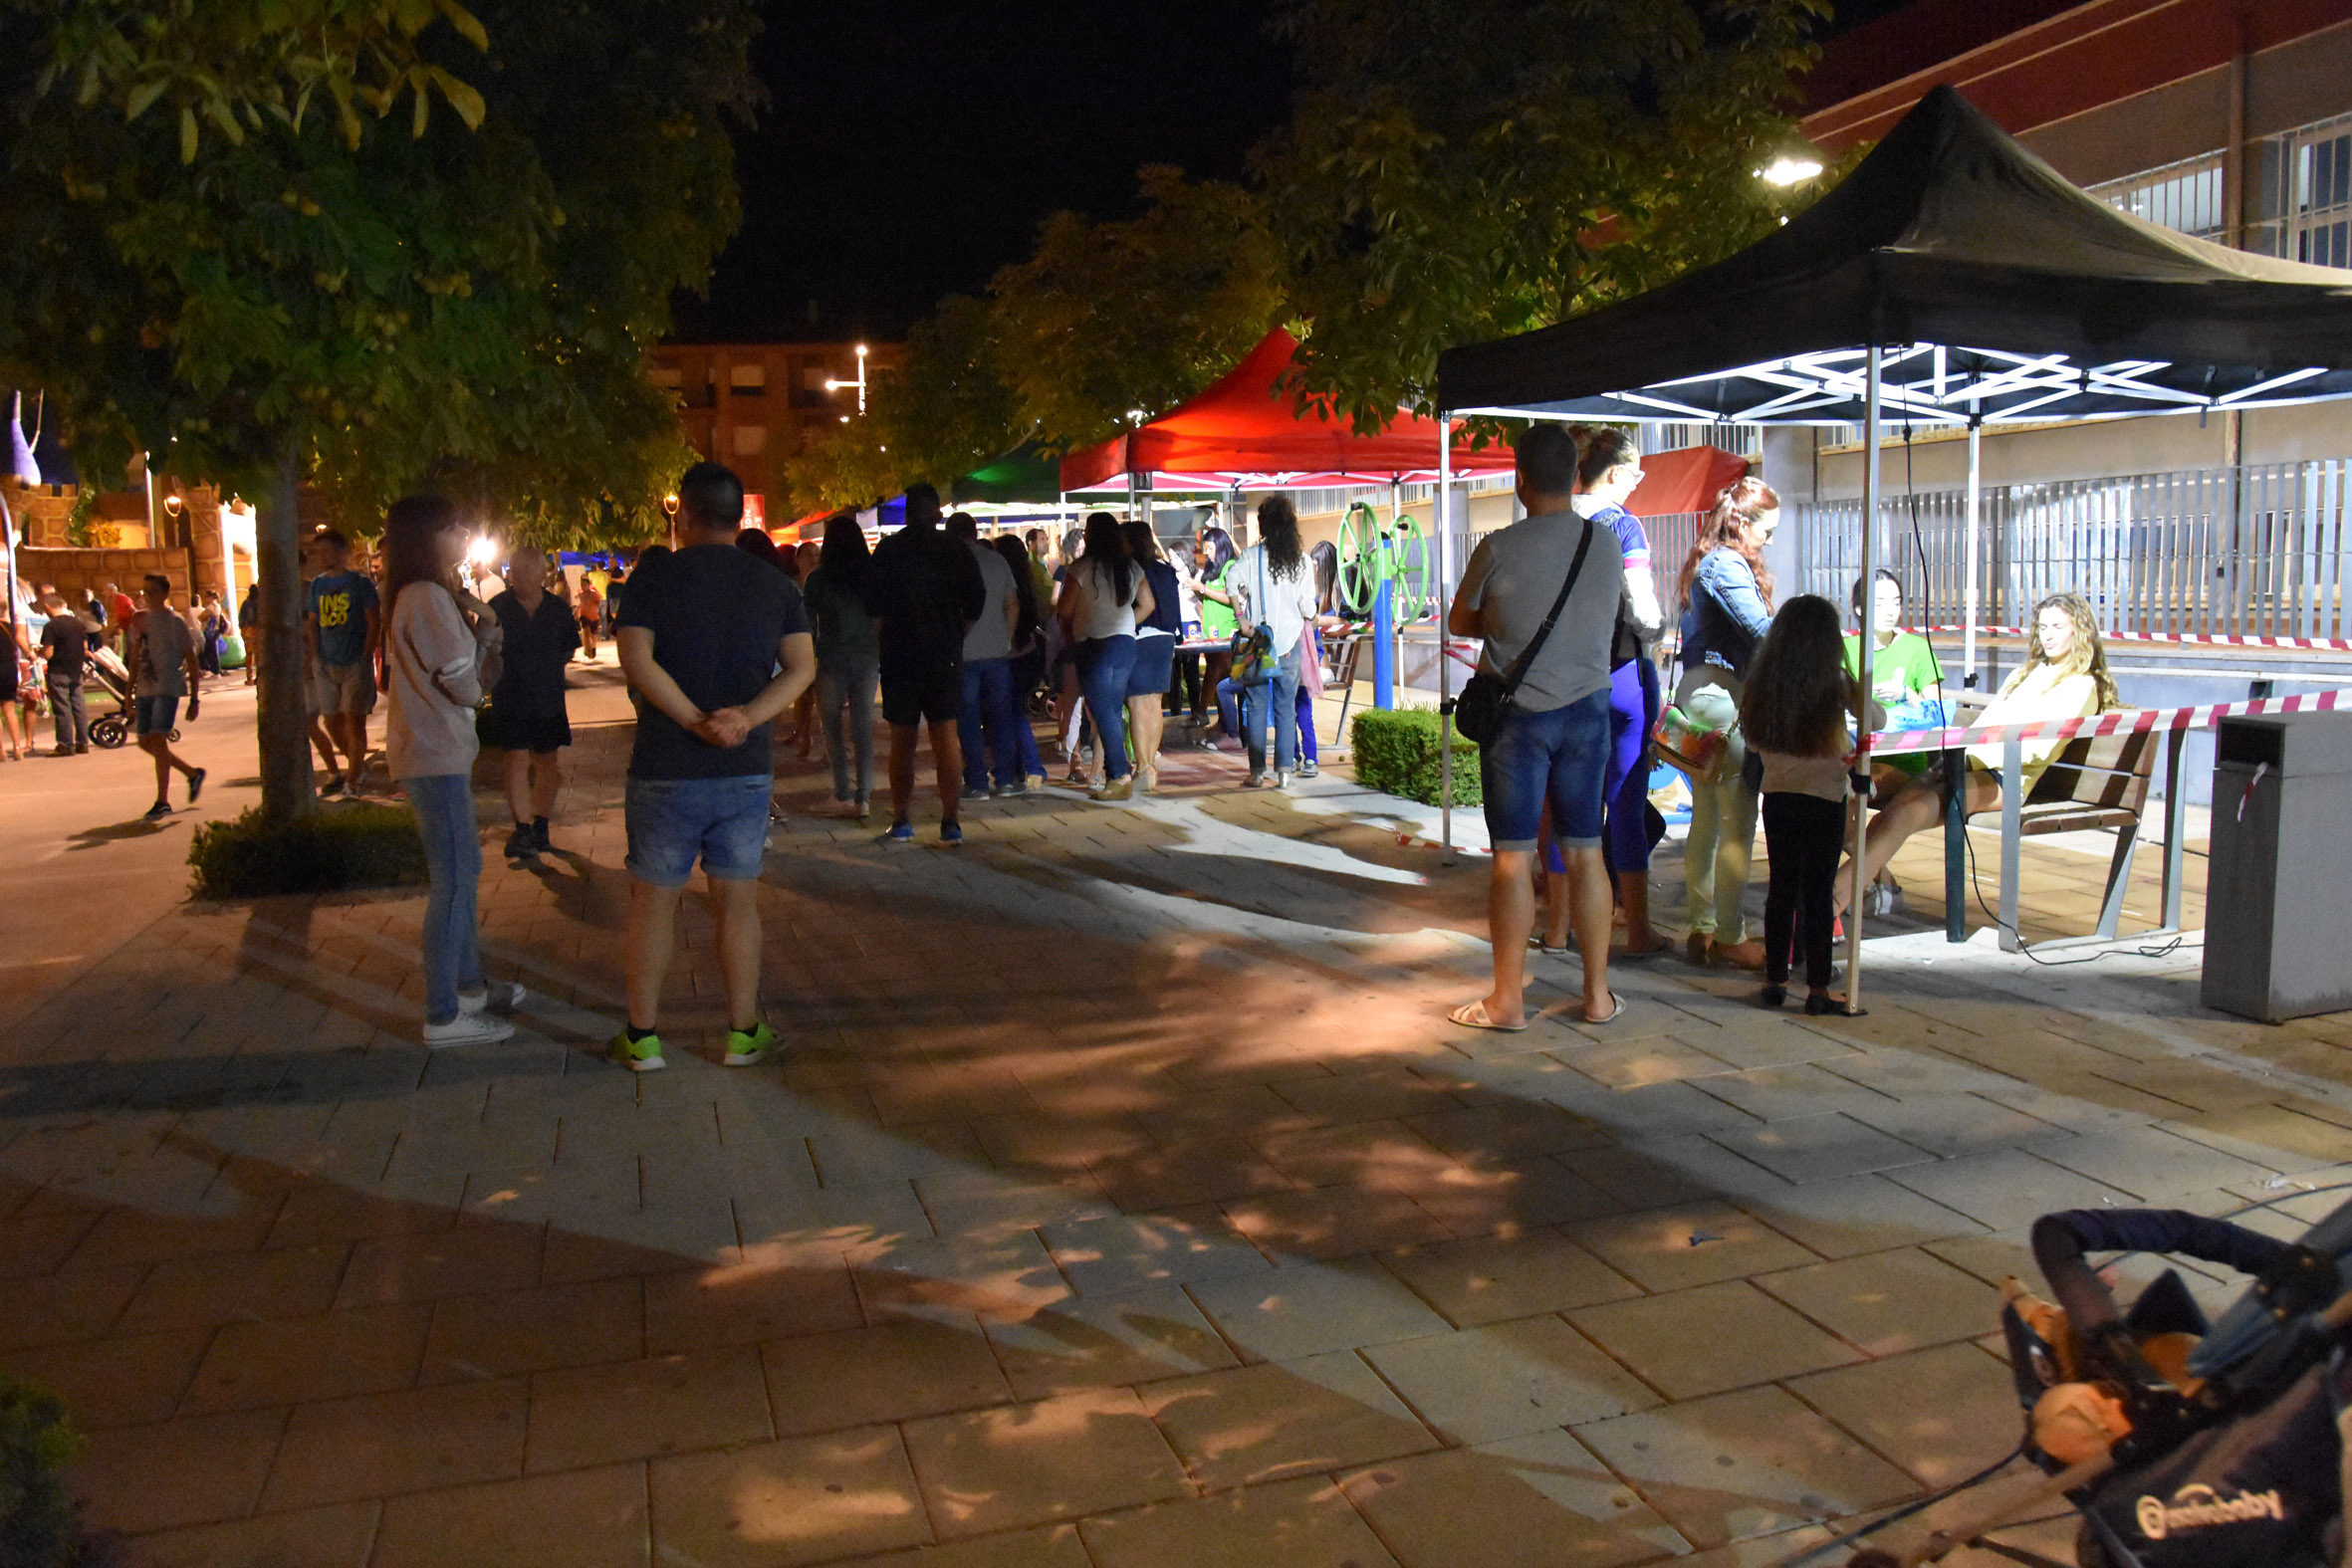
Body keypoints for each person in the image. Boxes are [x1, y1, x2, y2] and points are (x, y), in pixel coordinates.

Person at [614, 463, 816, 1071]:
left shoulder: (655, 577)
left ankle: (642, 1038)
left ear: (684, 514)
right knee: (738, 902)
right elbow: (803, 667)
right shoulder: (774, 583)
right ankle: (742, 1031)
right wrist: (744, 719)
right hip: (744, 769)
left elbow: (636, 662)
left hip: (665, 764)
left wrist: (692, 720)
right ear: (737, 515)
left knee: (654, 903)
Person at [1447, 423, 1629, 1029]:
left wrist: (1504, 624)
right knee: (1585, 853)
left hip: (1519, 719)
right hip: (1588, 713)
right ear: (1575, 477)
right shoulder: (1604, 544)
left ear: (1520, 479)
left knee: (1511, 857)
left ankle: (1507, 1002)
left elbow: (1461, 621)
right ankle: (1598, 996)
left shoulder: (1498, 547)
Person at [1837, 590, 2116, 911]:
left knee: (1908, 813)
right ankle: (1880, 888)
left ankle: (1836, 898)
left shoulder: (2081, 685)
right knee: (1893, 810)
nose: (2048, 635)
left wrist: (1970, 758)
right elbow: (1988, 722)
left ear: (2078, 631)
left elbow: (2040, 747)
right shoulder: (2025, 672)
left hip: (2006, 778)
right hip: (1968, 764)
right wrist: (1963, 756)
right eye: (2042, 627)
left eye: (2057, 627)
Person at [378, 495, 520, 1045]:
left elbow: (468, 667)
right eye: (453, 526)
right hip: (433, 752)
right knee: (455, 880)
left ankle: (469, 989)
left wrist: (484, 627)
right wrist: (481, 682)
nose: (464, 533)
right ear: (427, 537)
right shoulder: (425, 597)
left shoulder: (429, 596)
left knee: (462, 875)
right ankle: (444, 1013)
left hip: (438, 749)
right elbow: (465, 681)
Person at [1741, 595, 1872, 1015]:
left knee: (1781, 889)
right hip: (1825, 800)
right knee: (1818, 893)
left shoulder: (1765, 684)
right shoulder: (1834, 683)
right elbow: (1878, 719)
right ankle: (1817, 988)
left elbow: (1754, 741)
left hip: (1777, 797)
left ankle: (1775, 979)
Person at [1570, 427, 1671, 957]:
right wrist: (1660, 632)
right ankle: (1636, 930)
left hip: (1569, 682)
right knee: (1626, 804)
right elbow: (1643, 609)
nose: (1637, 484)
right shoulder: (1623, 527)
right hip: (1624, 676)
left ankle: (1561, 925)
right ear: (1613, 474)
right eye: (1635, 474)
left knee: (1573, 806)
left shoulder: (1550, 523)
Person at [1673, 477, 1780, 971]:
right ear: (1743, 522)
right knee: (1738, 824)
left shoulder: (1705, 561)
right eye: (1767, 531)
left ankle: (1703, 928)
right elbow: (1762, 634)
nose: (1769, 541)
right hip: (1723, 697)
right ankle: (1732, 936)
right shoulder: (1728, 563)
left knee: (1706, 822)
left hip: (1698, 694)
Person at [861, 483, 984, 843]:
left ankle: (901, 819)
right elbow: (975, 601)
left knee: (903, 740)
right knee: (946, 736)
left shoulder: (889, 549)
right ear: (936, 513)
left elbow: (873, 608)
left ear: (907, 513)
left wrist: (887, 636)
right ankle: (950, 821)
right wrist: (956, 634)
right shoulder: (955, 549)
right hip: (943, 653)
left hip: (900, 654)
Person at [480, 545, 580, 863]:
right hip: (511, 696)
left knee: (548, 762)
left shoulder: (557, 609)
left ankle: (541, 824)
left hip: (548, 696)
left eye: (528, 570)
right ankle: (522, 827)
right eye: (516, 570)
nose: (521, 576)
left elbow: (568, 648)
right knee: (516, 761)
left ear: (543, 573)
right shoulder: (498, 608)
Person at [1055, 511, 1154, 800]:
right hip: (1125, 644)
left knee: (1104, 710)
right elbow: (1148, 604)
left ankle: (1119, 775)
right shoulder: (1131, 567)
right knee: (1110, 709)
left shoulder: (1081, 569)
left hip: (1094, 645)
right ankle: (1117, 773)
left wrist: (1076, 631)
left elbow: (1064, 611)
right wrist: (1123, 622)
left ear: (1091, 535)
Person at [1228, 497, 1316, 788]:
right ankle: (1284, 773)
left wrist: (1241, 618)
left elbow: (1230, 581)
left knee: (1255, 707)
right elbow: (1308, 608)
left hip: (1258, 643)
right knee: (1285, 708)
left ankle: (1256, 772)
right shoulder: (1302, 561)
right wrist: (1310, 611)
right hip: (1289, 645)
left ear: (1262, 524)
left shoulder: (1251, 557)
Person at [804, 515, 879, 818]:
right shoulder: (871, 574)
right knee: (863, 728)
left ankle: (842, 792)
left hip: (831, 656)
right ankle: (864, 797)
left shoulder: (819, 580)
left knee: (832, 726)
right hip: (866, 656)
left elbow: (807, 624)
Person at [948, 511, 1026, 799]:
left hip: (963, 653)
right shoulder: (996, 560)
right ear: (974, 531)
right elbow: (1013, 604)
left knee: (967, 719)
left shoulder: (949, 564)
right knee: (1001, 716)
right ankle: (1005, 780)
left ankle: (977, 782)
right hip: (996, 652)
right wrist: (1006, 638)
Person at [304, 529, 382, 796]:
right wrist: (316, 655)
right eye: (320, 552)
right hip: (326, 662)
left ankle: (351, 779)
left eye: (329, 551)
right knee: (330, 720)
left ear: (342, 552)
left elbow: (374, 620)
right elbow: (313, 623)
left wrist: (365, 655)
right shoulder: (317, 585)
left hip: (353, 661)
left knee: (353, 720)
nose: (324, 557)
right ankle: (356, 766)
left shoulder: (359, 584)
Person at [129, 575, 206, 818]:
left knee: (158, 738)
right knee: (145, 741)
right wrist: (127, 691)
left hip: (167, 686)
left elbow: (191, 658)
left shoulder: (175, 622)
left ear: (164, 594)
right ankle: (192, 773)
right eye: (145, 591)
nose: (147, 596)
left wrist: (195, 698)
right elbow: (134, 656)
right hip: (145, 687)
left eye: (151, 591)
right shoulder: (139, 620)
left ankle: (162, 800)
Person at [1121, 518, 1181, 791]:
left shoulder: (1130, 569)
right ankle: (1150, 766)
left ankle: (1142, 765)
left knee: (1136, 704)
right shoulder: (1166, 570)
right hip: (1165, 638)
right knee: (1154, 704)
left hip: (1139, 634)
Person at [992, 533, 1050, 788]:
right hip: (1029, 653)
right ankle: (1018, 768)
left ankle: (1034, 767)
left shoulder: (1005, 584)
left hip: (1011, 655)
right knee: (1013, 712)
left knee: (1012, 713)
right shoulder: (1027, 582)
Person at [1193, 527, 1239, 742]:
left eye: (1210, 548)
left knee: (1216, 671)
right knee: (1218, 676)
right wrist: (1197, 590)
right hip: (1210, 630)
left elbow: (1231, 598)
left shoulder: (1231, 567)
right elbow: (1209, 599)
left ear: (1220, 547)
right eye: (1206, 549)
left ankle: (1202, 712)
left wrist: (1202, 589)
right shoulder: (1211, 569)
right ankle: (1223, 724)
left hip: (1225, 631)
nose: (1208, 553)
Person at [38, 592, 92, 755]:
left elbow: (48, 653)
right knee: (79, 705)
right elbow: (84, 647)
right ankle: (83, 742)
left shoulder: (51, 626)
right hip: (76, 669)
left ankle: (65, 743)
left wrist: (39, 652)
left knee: (62, 707)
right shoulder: (78, 623)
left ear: (48, 606)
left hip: (58, 669)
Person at [195, 590, 227, 678]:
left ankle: (215, 671)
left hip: (211, 632)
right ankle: (214, 670)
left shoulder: (210, 607)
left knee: (211, 652)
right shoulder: (217, 606)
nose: (205, 599)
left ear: (210, 597)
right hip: (215, 631)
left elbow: (200, 617)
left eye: (206, 597)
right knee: (211, 651)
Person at [237, 580, 261, 685]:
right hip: (258, 630)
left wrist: (242, 628)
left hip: (248, 631)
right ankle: (259, 677)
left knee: (249, 655)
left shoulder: (246, 603)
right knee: (259, 655)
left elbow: (242, 617)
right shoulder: (260, 602)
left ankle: (249, 677)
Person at [575, 573, 602, 660]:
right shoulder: (580, 594)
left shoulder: (594, 594)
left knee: (593, 635)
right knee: (586, 632)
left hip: (593, 616)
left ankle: (593, 648)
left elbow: (599, 601)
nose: (583, 586)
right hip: (583, 615)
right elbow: (579, 601)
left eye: (584, 585)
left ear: (588, 585)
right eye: (582, 585)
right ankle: (587, 649)